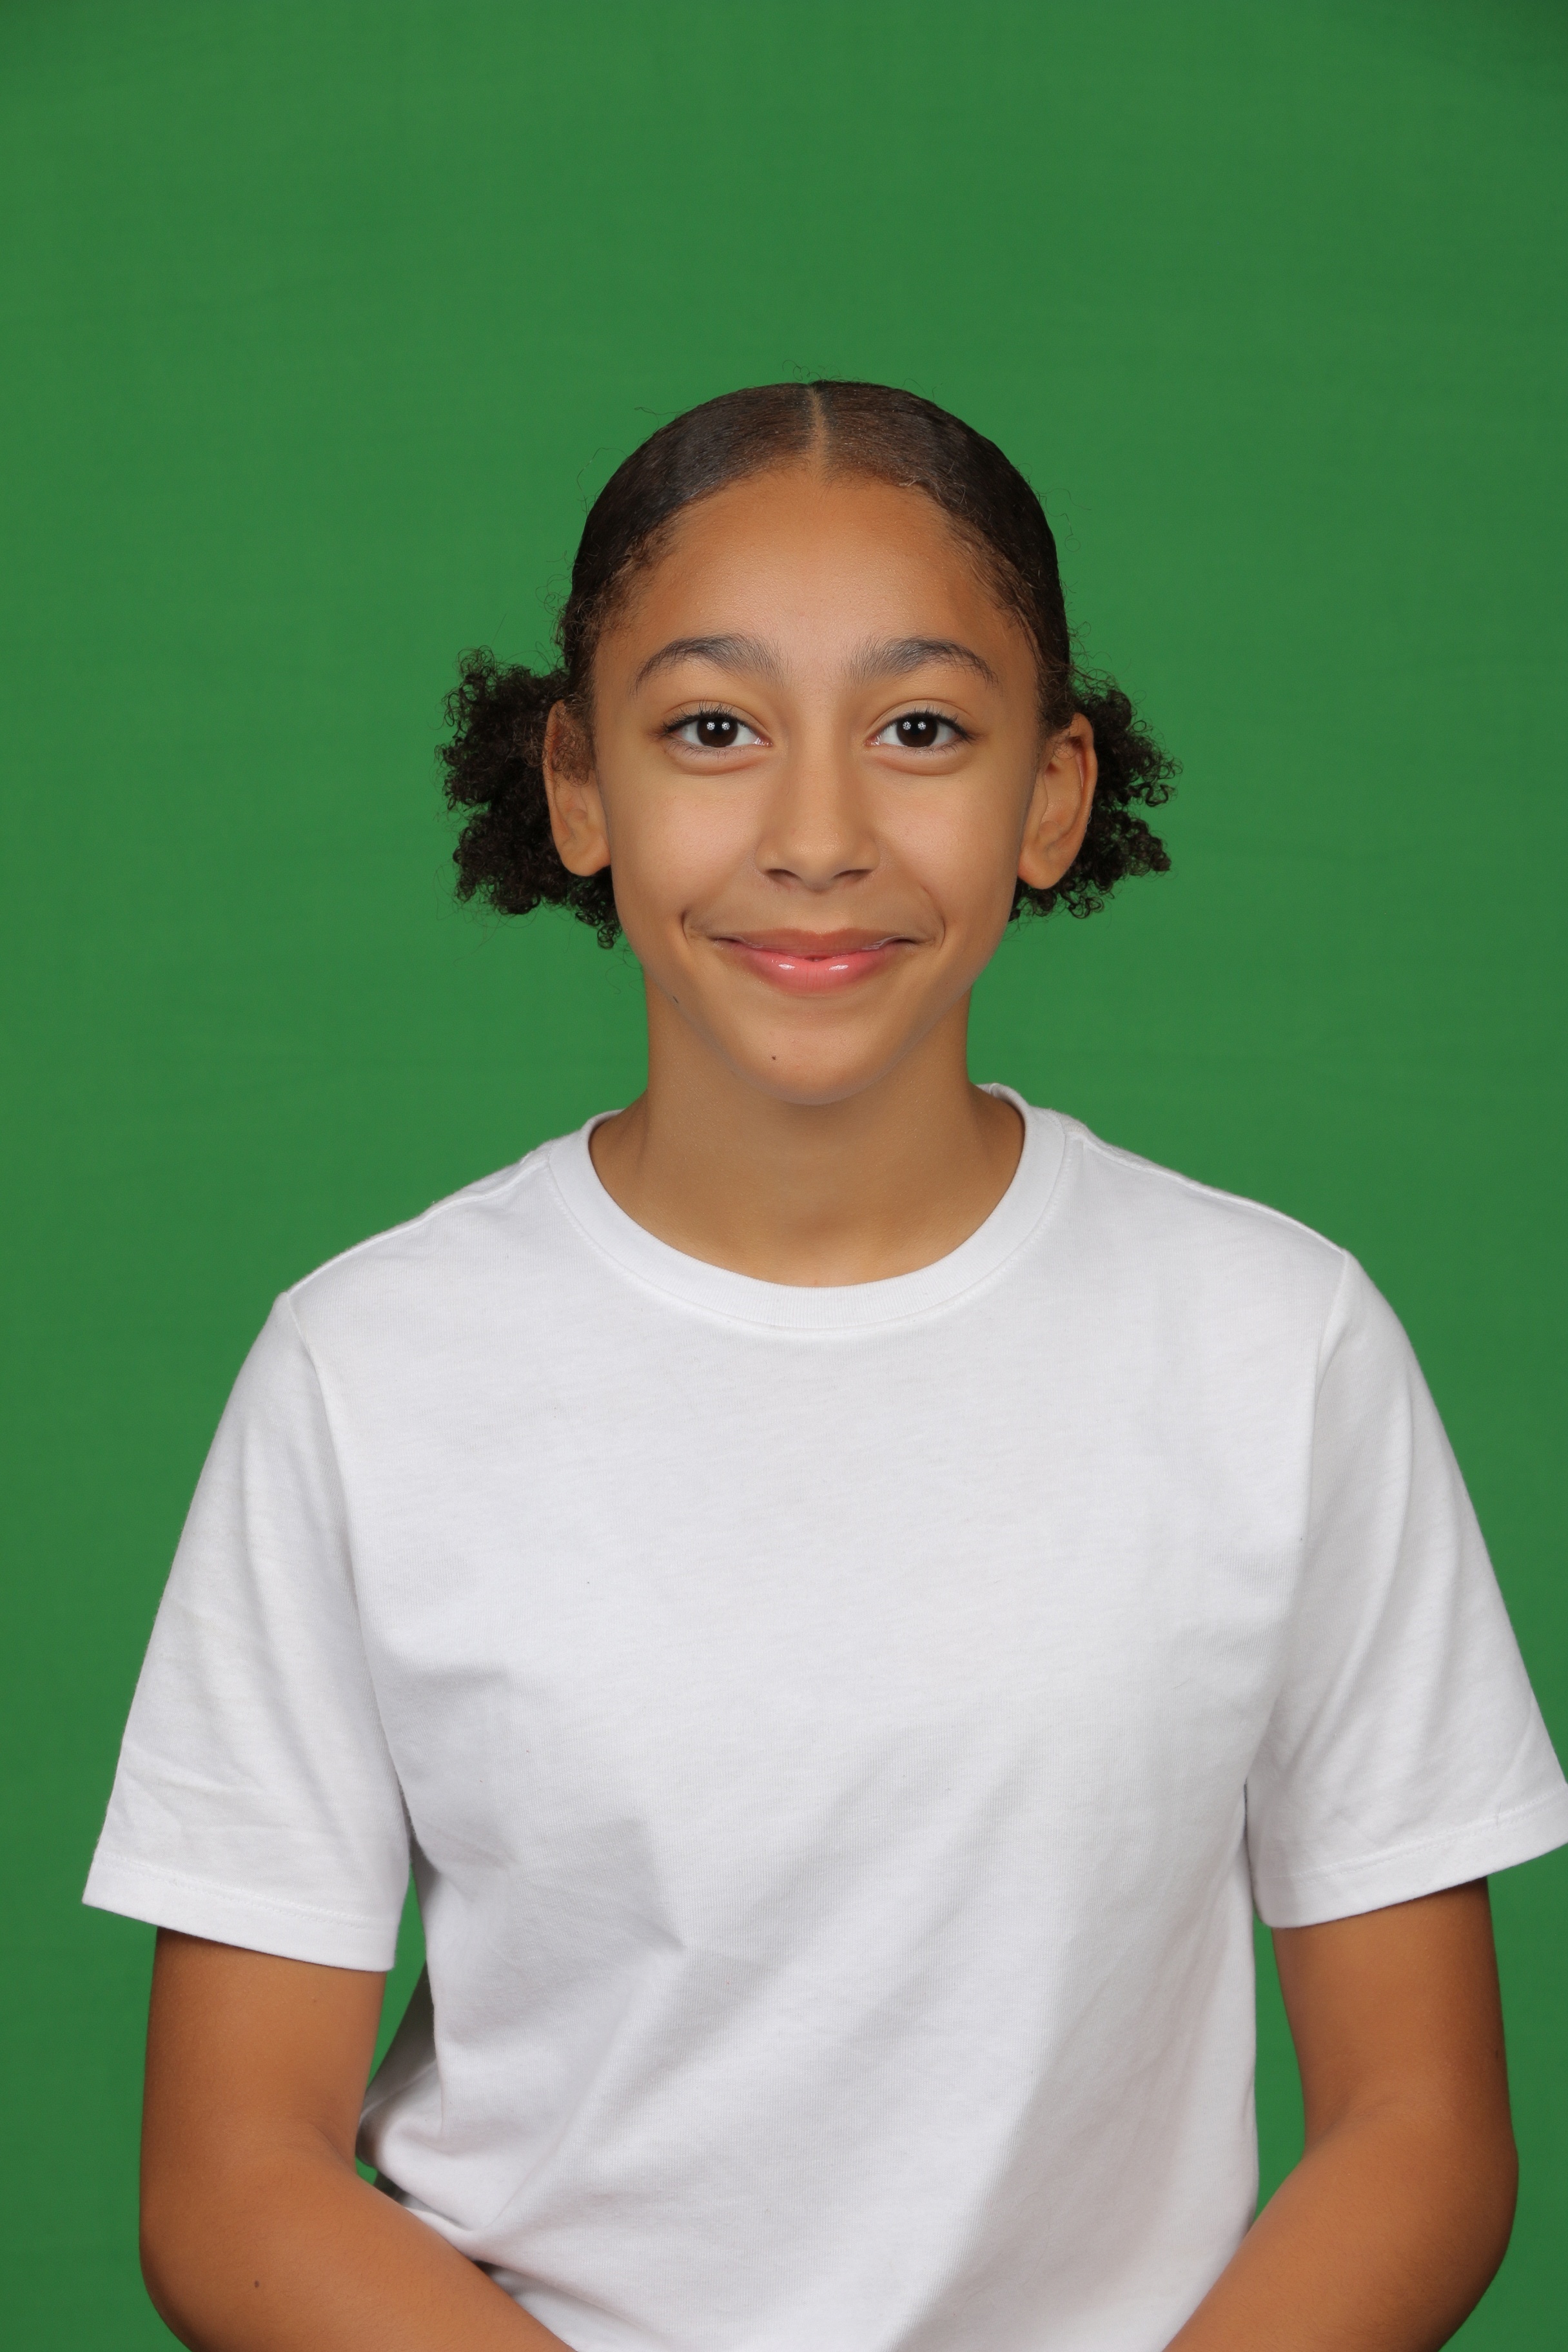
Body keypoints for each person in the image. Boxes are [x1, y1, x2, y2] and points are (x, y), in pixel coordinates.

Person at [87, 381, 1567, 2352]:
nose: (815, 837)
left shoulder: (1278, 1346)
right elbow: (228, 2176)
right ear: (577, 785)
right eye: (714, 729)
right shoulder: (365, 1372)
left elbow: (1421, 2125)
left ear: (1052, 795)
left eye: (920, 731)